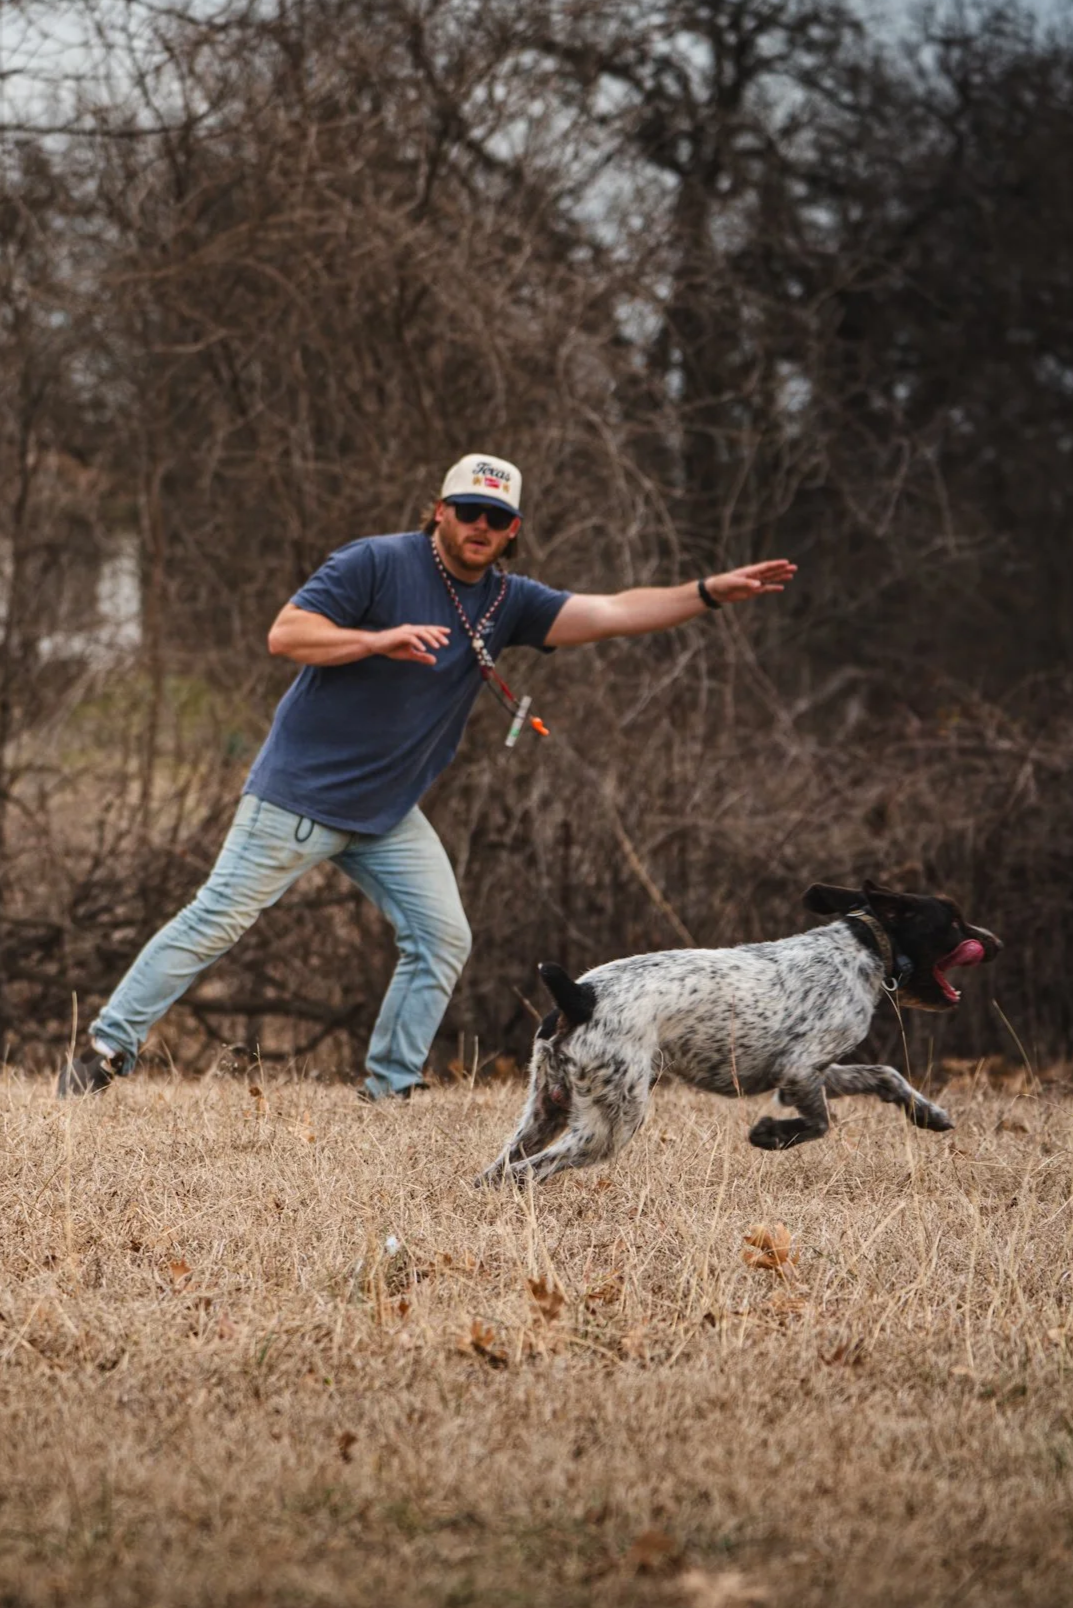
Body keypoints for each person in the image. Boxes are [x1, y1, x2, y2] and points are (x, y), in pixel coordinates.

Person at [59, 452, 797, 1099]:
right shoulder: (374, 563)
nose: (480, 526)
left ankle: (390, 1089)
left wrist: (704, 593)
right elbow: (286, 635)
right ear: (440, 512)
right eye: (468, 511)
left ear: (511, 529)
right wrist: (375, 639)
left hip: (385, 815)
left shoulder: (508, 601)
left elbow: (609, 611)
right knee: (215, 921)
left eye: (496, 517)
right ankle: (102, 1052)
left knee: (442, 937)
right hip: (299, 795)